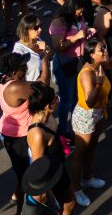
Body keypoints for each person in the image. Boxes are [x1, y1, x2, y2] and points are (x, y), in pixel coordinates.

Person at [70, 36, 112, 207]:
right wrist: (99, 84)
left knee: (92, 147)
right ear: (92, 55)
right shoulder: (87, 73)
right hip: (86, 116)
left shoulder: (98, 64)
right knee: (80, 154)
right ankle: (76, 189)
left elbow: (110, 64)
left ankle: (87, 178)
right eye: (102, 49)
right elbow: (89, 101)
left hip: (98, 113)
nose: (105, 51)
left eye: (105, 48)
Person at [0, 51, 52, 214]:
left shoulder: (6, 79)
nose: (26, 67)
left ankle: (18, 196)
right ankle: (22, 209)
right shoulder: (15, 87)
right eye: (23, 66)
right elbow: (43, 85)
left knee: (22, 172)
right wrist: (45, 59)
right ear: (14, 72)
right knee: (27, 177)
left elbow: (35, 85)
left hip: (12, 133)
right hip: (18, 138)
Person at [25, 83, 74, 215]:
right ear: (48, 106)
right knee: (69, 204)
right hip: (52, 174)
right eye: (56, 99)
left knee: (70, 203)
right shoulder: (37, 134)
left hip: (58, 165)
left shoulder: (49, 117)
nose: (58, 100)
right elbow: (40, 169)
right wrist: (49, 193)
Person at [49, 0, 90, 142]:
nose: (81, 14)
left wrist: (88, 33)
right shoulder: (58, 23)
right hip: (66, 65)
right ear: (71, 9)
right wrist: (76, 37)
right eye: (79, 11)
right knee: (66, 99)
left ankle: (74, 127)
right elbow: (58, 47)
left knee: (76, 98)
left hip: (79, 63)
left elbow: (82, 32)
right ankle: (62, 130)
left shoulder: (78, 19)